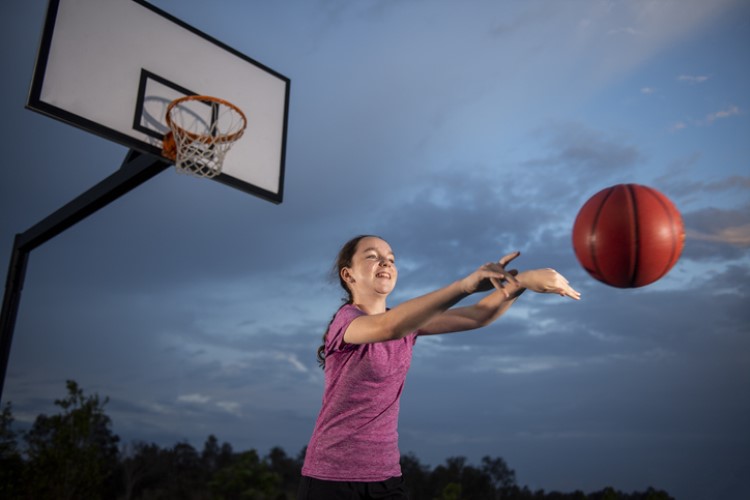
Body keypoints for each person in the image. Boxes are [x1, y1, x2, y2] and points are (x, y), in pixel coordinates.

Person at [298, 235, 580, 500]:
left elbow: (478, 315)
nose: (385, 262)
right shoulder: (346, 321)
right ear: (348, 275)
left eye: (391, 259)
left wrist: (524, 280)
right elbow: (390, 326)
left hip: (385, 475)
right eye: (372, 257)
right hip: (332, 477)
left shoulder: (407, 324)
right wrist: (464, 285)